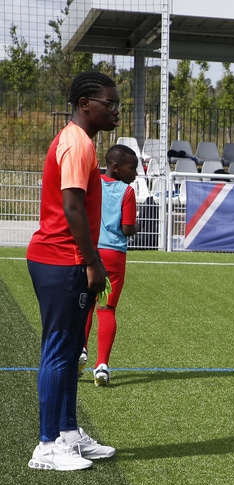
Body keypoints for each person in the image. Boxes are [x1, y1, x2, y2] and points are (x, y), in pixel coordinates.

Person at [25, 71, 119, 470]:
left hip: (65, 259)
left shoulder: (79, 141)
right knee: (60, 350)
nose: (115, 111)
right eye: (109, 104)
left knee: (69, 351)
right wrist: (92, 263)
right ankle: (46, 446)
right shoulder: (76, 143)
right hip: (62, 259)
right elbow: (72, 207)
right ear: (85, 104)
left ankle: (67, 433)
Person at [83, 144, 139, 386]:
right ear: (116, 168)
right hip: (114, 254)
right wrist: (135, 227)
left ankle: (80, 351)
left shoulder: (91, 183)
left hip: (90, 251)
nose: (135, 173)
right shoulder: (126, 192)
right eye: (132, 168)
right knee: (107, 309)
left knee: (85, 305)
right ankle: (102, 366)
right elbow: (127, 229)